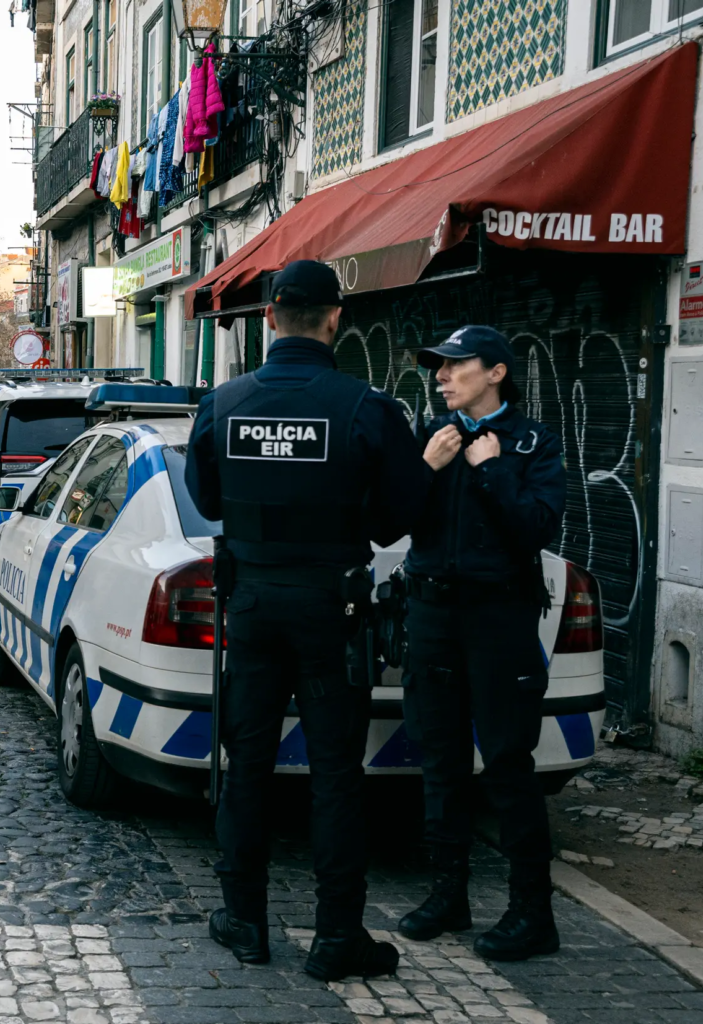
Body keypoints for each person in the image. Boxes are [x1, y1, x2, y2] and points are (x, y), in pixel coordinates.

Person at [183, 260, 430, 981]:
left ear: (268, 318)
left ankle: (245, 921)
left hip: (253, 607)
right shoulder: (366, 407)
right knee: (336, 777)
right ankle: (335, 936)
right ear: (334, 318)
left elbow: (207, 501)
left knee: (247, 767)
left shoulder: (224, 403)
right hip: (334, 610)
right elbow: (397, 519)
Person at [396, 326, 567, 961]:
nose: (440, 376)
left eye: (453, 365)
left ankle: (532, 912)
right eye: (436, 368)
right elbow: (392, 518)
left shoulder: (531, 443)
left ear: (495, 372)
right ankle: (449, 894)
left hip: (500, 621)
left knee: (507, 765)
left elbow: (536, 530)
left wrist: (491, 469)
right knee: (438, 759)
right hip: (433, 615)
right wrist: (425, 468)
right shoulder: (429, 439)